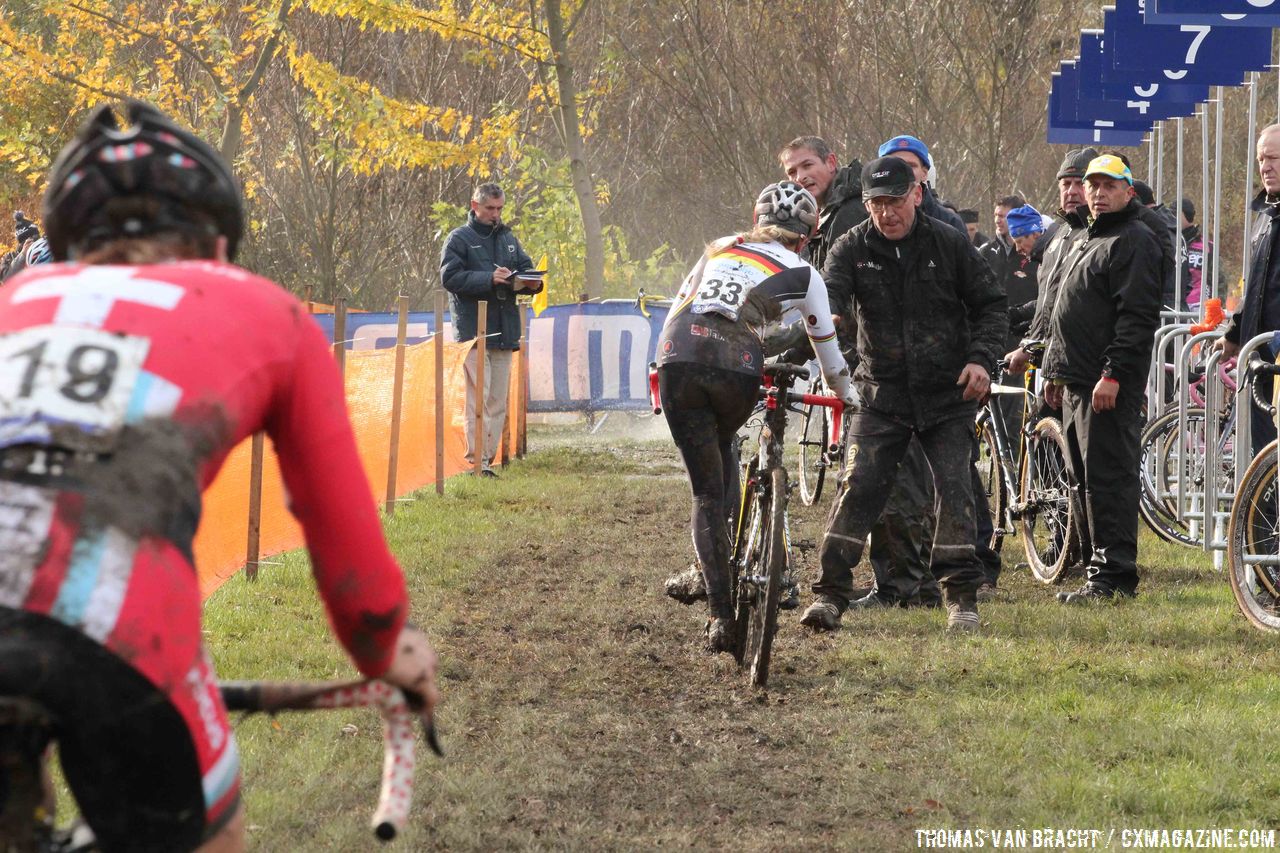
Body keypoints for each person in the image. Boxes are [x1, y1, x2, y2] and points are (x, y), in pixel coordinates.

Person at [0, 101, 440, 852]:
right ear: (216, 240)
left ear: (71, 245)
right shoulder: (263, 307)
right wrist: (389, 649)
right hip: (117, 631)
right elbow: (350, 556)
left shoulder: (9, 303)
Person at [800, 156, 1006, 633]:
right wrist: (829, 317)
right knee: (858, 486)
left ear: (916, 194)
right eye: (876, 204)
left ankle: (961, 599)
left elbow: (991, 306)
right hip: (881, 395)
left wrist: (981, 359)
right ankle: (831, 595)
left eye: (894, 201)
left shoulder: (949, 242)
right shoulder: (851, 246)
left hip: (946, 394)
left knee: (955, 490)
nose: (886, 213)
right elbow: (830, 292)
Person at [656, 181, 854, 653]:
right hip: (735, 363)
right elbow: (828, 355)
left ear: (755, 219)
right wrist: (848, 396)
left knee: (707, 490)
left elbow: (678, 306)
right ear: (807, 236)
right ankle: (748, 558)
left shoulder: (719, 248)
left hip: (678, 352)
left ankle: (720, 615)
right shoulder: (806, 273)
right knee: (725, 445)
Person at [779, 136, 938, 611]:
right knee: (882, 480)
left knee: (890, 482)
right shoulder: (834, 213)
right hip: (868, 365)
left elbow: (834, 307)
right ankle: (902, 583)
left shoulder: (852, 214)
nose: (800, 177)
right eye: (790, 172)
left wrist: (829, 350)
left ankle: (908, 585)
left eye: (806, 165)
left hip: (886, 370)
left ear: (831, 162)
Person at [1041, 155, 1162, 604]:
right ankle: (1096, 570)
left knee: (1108, 478)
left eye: (1108, 185)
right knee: (1083, 480)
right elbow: (1064, 311)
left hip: (1107, 384)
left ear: (1129, 191)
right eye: (1092, 185)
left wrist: (1113, 373)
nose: (1096, 192)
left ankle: (1114, 577)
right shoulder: (1088, 236)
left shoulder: (1134, 240)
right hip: (1075, 380)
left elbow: (1136, 318)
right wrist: (1055, 369)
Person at [440, 182, 540, 477]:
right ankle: (476, 463)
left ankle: (488, 458)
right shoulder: (458, 239)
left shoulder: (508, 238)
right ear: (475, 206)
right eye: (489, 209)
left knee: (497, 400)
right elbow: (450, 277)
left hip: (505, 328)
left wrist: (533, 284)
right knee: (478, 398)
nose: (495, 215)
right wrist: (488, 279)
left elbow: (527, 269)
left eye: (499, 209)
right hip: (474, 330)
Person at [1220, 123, 1280, 456]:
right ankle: (1265, 510)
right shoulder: (1266, 214)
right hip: (1262, 355)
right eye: (1261, 159)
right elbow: (1255, 284)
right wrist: (1233, 333)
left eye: (1273, 158)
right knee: (1264, 453)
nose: (1266, 167)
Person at [1178, 197, 1211, 312]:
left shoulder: (1207, 246)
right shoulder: (1169, 242)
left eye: (1175, 213)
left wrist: (1216, 305)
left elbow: (1219, 279)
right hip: (1176, 305)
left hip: (1199, 307)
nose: (1172, 217)